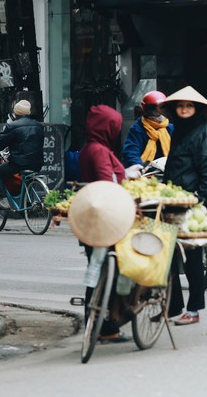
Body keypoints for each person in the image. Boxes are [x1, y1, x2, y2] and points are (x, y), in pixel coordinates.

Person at [158, 86, 207, 326]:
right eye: (180, 106)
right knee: (167, 256)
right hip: (172, 200)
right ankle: (172, 307)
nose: (184, 109)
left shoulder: (205, 132)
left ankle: (193, 310)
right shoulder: (179, 131)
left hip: (193, 202)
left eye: (189, 106)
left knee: (192, 259)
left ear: (197, 109)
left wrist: (203, 205)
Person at [78, 104, 130, 343]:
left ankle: (97, 322)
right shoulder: (99, 150)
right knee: (110, 270)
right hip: (106, 219)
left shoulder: (91, 147)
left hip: (95, 218)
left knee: (98, 270)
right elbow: (106, 181)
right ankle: (107, 324)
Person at [0, 100, 44, 208]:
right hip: (37, 163)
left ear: (16, 113)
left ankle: (3, 201)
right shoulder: (38, 125)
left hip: (19, 163)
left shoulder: (13, 126)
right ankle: (27, 204)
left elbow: (0, 143)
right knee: (27, 179)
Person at [122, 90, 173, 178]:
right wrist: (139, 167)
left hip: (167, 172)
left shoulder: (171, 128)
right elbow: (131, 150)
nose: (157, 113)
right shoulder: (137, 128)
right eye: (153, 109)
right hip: (144, 173)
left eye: (161, 109)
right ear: (144, 109)